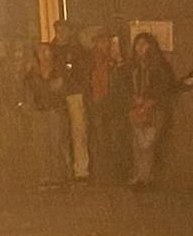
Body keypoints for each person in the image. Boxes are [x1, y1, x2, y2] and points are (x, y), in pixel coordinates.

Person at [127, 32, 178, 190]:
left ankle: (147, 176)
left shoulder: (160, 67)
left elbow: (165, 89)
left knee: (148, 143)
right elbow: (125, 88)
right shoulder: (133, 68)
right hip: (136, 109)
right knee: (137, 143)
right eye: (138, 44)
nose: (140, 48)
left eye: (144, 44)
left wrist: (150, 101)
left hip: (155, 110)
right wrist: (134, 101)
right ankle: (140, 175)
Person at [24, 42, 71, 185]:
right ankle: (45, 175)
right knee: (42, 143)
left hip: (55, 110)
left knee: (56, 142)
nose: (44, 54)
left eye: (46, 51)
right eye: (40, 51)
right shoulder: (32, 73)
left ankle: (59, 175)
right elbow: (29, 91)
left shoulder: (58, 70)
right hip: (39, 112)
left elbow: (62, 88)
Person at [49, 19, 91, 180]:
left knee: (78, 132)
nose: (61, 34)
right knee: (60, 133)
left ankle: (81, 170)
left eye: (64, 30)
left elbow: (81, 71)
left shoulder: (77, 50)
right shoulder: (50, 50)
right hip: (57, 97)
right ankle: (64, 169)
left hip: (74, 94)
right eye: (58, 30)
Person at [86, 29, 130, 184]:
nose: (104, 45)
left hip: (116, 106)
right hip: (100, 105)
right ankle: (106, 172)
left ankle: (118, 172)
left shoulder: (118, 62)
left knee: (116, 138)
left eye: (107, 41)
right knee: (102, 139)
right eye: (101, 41)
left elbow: (124, 83)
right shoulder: (93, 61)